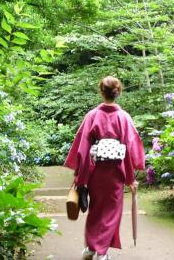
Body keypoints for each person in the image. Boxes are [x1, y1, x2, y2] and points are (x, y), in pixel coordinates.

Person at [64, 76, 145, 260]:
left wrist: (81, 178)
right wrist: (130, 179)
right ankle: (101, 253)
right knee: (111, 212)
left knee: (96, 210)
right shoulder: (124, 118)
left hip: (95, 172)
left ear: (101, 92)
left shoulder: (92, 116)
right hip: (116, 172)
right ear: (118, 93)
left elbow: (83, 150)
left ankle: (92, 249)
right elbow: (130, 148)